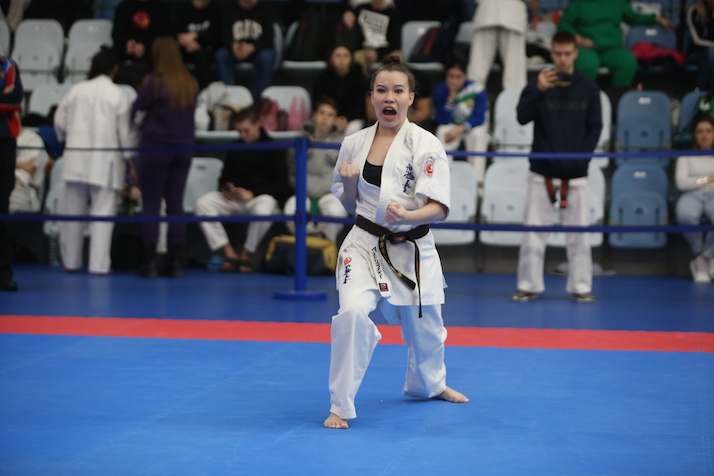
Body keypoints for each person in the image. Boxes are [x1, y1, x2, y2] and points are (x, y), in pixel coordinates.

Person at [324, 56, 468, 430]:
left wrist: (408, 215)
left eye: (398, 91)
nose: (390, 97)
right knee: (352, 312)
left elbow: (439, 208)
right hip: (363, 243)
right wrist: (349, 182)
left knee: (427, 328)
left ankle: (430, 385)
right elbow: (348, 203)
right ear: (372, 97)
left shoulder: (426, 144)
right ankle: (340, 404)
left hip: (412, 246)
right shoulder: (353, 143)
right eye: (382, 90)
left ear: (410, 98)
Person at [511, 31, 602, 303]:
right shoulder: (539, 83)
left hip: (576, 174)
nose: (562, 59)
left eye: (567, 53)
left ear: (575, 53)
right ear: (551, 54)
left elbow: (595, 127)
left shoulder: (589, 88)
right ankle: (528, 285)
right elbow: (521, 117)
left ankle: (581, 287)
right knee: (533, 233)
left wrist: (581, 159)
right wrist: (537, 91)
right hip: (542, 171)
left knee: (579, 236)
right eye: (558, 54)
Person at [54, 47, 138, 275]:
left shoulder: (75, 90)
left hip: (75, 158)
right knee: (102, 216)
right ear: (114, 69)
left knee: (72, 215)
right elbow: (126, 134)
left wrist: (68, 137)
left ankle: (70, 262)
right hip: (104, 163)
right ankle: (98, 266)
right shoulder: (118, 94)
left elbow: (59, 121)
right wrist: (131, 163)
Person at [194, 104, 290, 273]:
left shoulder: (273, 147)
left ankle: (247, 254)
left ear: (257, 124)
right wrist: (227, 188)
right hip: (235, 198)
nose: (243, 135)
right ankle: (229, 253)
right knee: (202, 204)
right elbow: (224, 177)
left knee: (264, 209)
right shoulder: (236, 146)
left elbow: (282, 184)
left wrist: (253, 193)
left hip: (260, 197)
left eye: (246, 130)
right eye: (239, 131)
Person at [132, 36, 198, 278]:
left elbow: (135, 112)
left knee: (151, 204)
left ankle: (149, 262)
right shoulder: (190, 83)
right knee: (176, 204)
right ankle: (174, 263)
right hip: (184, 148)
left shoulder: (153, 82)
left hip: (156, 147)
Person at [557, 0, 675, 90]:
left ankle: (616, 101)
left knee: (628, 61)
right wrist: (578, 38)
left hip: (612, 49)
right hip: (586, 48)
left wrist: (657, 18)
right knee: (588, 65)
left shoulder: (617, 2)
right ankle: (585, 101)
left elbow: (634, 17)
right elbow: (563, 24)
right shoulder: (578, 3)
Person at [284, 97, 347, 243]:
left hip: (331, 195)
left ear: (335, 120)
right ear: (314, 115)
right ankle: (313, 241)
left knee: (336, 213)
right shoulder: (299, 140)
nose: (325, 117)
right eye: (322, 113)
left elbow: (346, 174)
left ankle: (324, 249)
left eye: (330, 115)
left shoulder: (344, 143)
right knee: (290, 212)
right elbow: (292, 171)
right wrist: (299, 187)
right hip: (303, 194)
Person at [433, 60, 489, 191]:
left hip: (471, 126)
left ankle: (477, 181)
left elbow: (479, 117)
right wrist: (450, 98)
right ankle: (444, 180)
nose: (454, 80)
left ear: (465, 76)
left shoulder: (477, 89)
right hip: (452, 125)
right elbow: (442, 119)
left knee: (479, 135)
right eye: (451, 76)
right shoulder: (441, 90)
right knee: (442, 131)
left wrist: (460, 129)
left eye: (458, 77)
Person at [468, 0, 540, 91]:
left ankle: (470, 98)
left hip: (487, 11)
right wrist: (534, 16)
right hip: (513, 13)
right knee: (514, 66)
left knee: (478, 64)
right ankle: (514, 98)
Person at [675, 116, 714, 284]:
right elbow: (682, 183)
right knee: (685, 215)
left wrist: (695, 179)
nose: (704, 135)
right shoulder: (686, 156)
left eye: (708, 131)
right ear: (694, 135)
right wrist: (707, 179)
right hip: (691, 195)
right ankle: (703, 255)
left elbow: (688, 180)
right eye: (700, 132)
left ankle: (704, 258)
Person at [214, 0, 277, 99]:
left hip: (257, 50)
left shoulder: (265, 8)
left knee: (268, 56)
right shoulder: (229, 9)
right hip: (235, 50)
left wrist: (252, 47)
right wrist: (233, 45)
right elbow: (222, 36)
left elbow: (269, 38)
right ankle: (231, 98)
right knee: (221, 55)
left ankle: (260, 100)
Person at [0, 54, 23, 291]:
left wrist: (7, 98)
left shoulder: (7, 65)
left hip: (4, 144)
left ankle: (2, 272)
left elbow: (14, 100)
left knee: (2, 207)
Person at [311, 44, 369, 136]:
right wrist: (333, 118)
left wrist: (346, 118)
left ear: (351, 58)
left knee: (353, 129)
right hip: (328, 115)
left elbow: (361, 106)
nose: (342, 59)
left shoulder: (359, 78)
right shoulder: (321, 78)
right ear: (331, 58)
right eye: (338, 55)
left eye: (345, 56)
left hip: (352, 118)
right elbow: (317, 102)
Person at [111, 0, 170, 88]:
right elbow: (117, 34)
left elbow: (165, 37)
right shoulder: (123, 7)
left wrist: (145, 47)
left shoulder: (162, 8)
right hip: (127, 57)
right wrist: (127, 44)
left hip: (154, 57)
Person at [340, 0, 404, 76]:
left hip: (387, 50)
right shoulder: (361, 8)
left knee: (397, 58)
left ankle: (390, 82)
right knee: (354, 58)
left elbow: (396, 42)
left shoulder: (394, 13)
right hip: (365, 49)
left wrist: (378, 53)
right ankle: (362, 82)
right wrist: (348, 12)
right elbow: (348, 11)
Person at [171, 0, 221, 90]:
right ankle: (174, 91)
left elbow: (216, 37)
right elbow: (174, 34)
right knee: (170, 52)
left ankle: (206, 92)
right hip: (184, 48)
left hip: (206, 50)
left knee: (202, 55)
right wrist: (186, 43)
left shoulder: (216, 10)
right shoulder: (182, 10)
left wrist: (196, 35)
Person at [10, 116, 49, 213]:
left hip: (19, 191)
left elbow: (28, 170)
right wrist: (19, 164)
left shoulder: (33, 140)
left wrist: (6, 166)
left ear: (18, 114)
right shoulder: (3, 138)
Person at [687, 0, 714, 92]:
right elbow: (697, 39)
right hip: (698, 52)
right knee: (712, 52)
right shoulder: (694, 11)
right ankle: (700, 89)